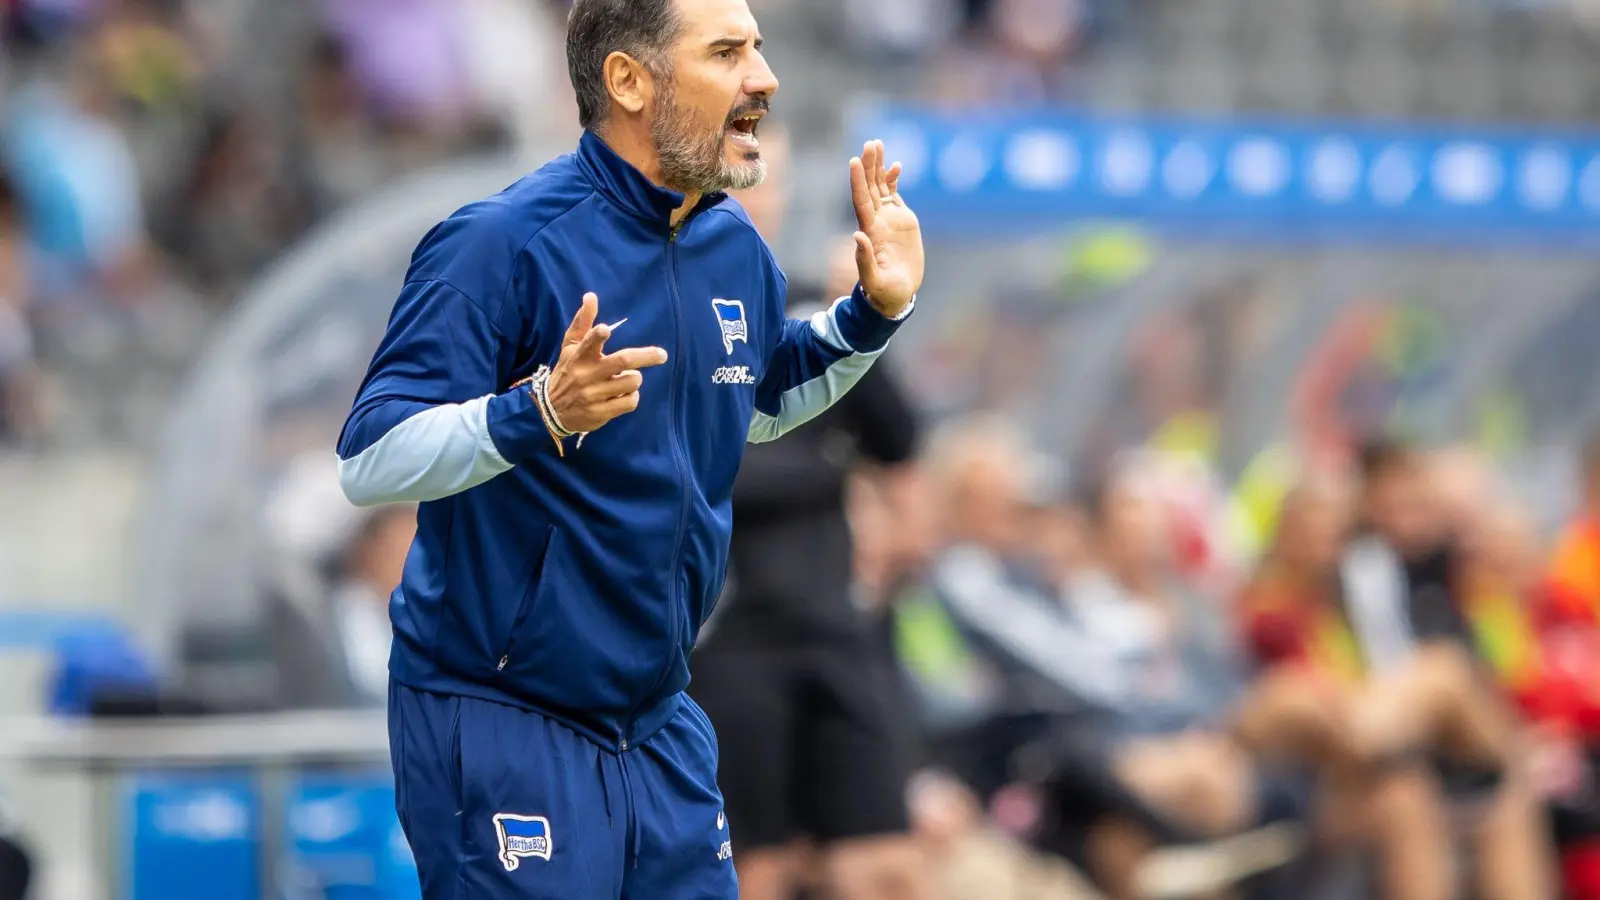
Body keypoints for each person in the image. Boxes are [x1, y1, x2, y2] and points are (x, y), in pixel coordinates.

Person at [334, 0, 926, 897]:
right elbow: (368, 459)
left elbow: (757, 401)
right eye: (727, 53)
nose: (763, 79)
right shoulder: (497, 243)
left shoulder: (732, 246)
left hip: (657, 721)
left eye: (758, 51)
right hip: (505, 717)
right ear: (628, 81)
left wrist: (868, 317)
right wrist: (536, 410)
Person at [689, 232, 927, 900]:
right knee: (754, 868)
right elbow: (695, 472)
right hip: (729, 643)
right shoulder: (665, 310)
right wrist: (821, 471)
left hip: (832, 629)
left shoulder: (807, 312)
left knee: (884, 865)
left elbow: (901, 444)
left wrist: (892, 546)